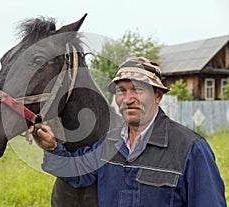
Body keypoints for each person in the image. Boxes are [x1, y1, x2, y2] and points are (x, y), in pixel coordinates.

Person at [27, 57, 227, 207]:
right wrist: (52, 147)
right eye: (122, 90)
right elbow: (77, 172)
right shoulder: (110, 143)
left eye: (138, 89)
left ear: (157, 95)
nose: (128, 98)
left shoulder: (190, 149)